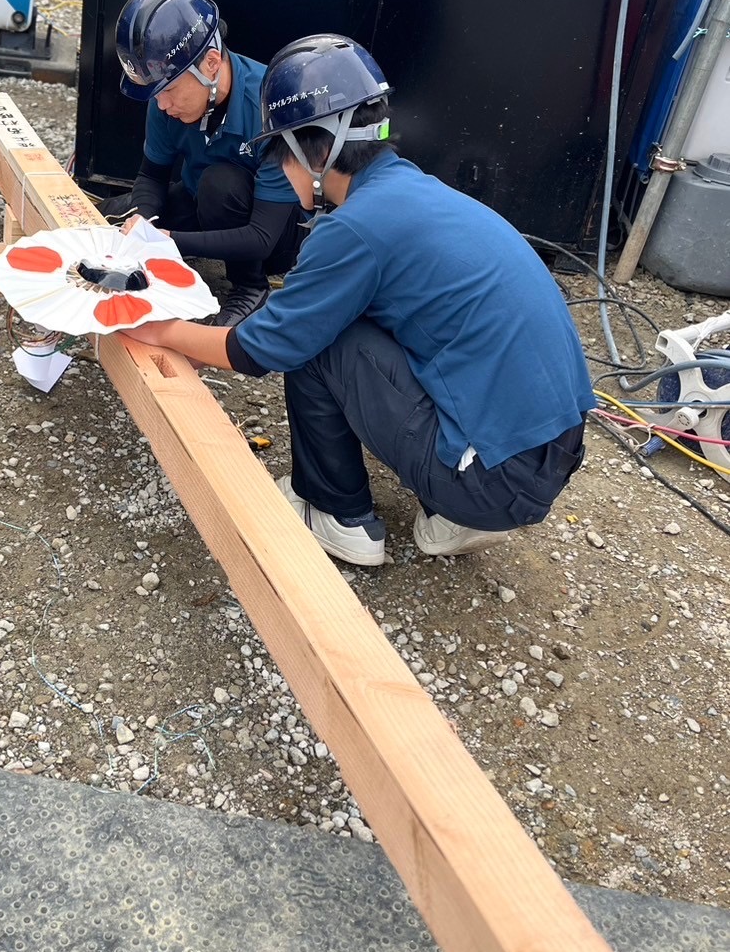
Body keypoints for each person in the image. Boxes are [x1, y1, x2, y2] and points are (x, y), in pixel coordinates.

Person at [124, 33, 594, 565]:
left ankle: (338, 516)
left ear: (312, 150)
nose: (278, 172)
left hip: (495, 480)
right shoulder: (415, 191)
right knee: (363, 318)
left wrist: (157, 328)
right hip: (547, 455)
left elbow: (259, 349)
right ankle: (453, 516)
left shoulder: (354, 229)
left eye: (279, 156)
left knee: (315, 339)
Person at [108, 0, 304, 329]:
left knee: (220, 183)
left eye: (168, 91)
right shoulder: (165, 98)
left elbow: (262, 237)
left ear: (211, 63)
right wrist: (145, 223)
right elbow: (152, 175)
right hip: (203, 202)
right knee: (113, 219)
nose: (162, 104)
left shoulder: (271, 108)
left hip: (271, 234)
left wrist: (169, 240)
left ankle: (250, 287)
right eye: (154, 93)